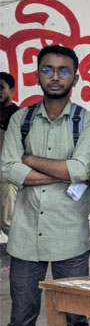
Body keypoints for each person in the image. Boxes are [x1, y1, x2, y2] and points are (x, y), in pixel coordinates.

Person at [1, 45, 90, 326]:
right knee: (20, 320)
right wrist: (62, 173)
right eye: (48, 69)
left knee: (76, 320)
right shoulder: (21, 119)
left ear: (75, 77)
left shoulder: (87, 121)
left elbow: (81, 170)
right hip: (25, 237)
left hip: (70, 239)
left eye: (63, 70)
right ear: (37, 75)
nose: (55, 77)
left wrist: (29, 160)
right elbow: (8, 169)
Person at [1, 72, 20, 237]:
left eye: (2, 88)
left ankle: (22, 251)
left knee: (8, 221)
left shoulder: (17, 115)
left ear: (12, 90)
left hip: (6, 175)